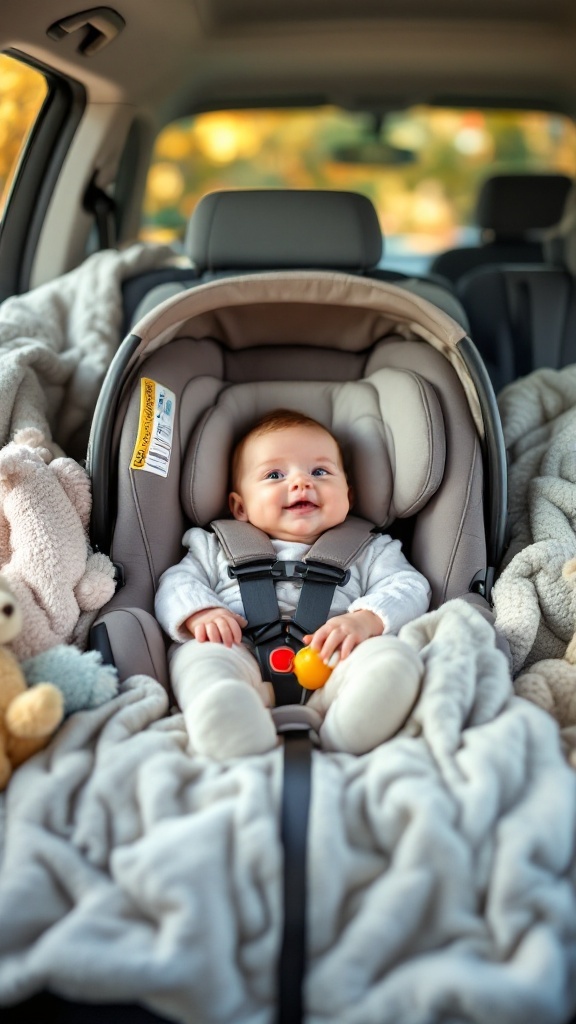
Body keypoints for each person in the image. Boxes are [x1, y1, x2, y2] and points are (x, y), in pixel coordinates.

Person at [154, 410, 431, 760]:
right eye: (274, 474)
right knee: (200, 658)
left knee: (392, 659)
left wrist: (365, 620)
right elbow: (176, 582)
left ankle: (346, 729)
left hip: (335, 663)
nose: (302, 482)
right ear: (239, 506)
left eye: (320, 471)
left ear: (349, 495)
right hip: (237, 650)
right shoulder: (213, 546)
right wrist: (201, 613)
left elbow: (409, 585)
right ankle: (229, 718)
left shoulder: (372, 549)